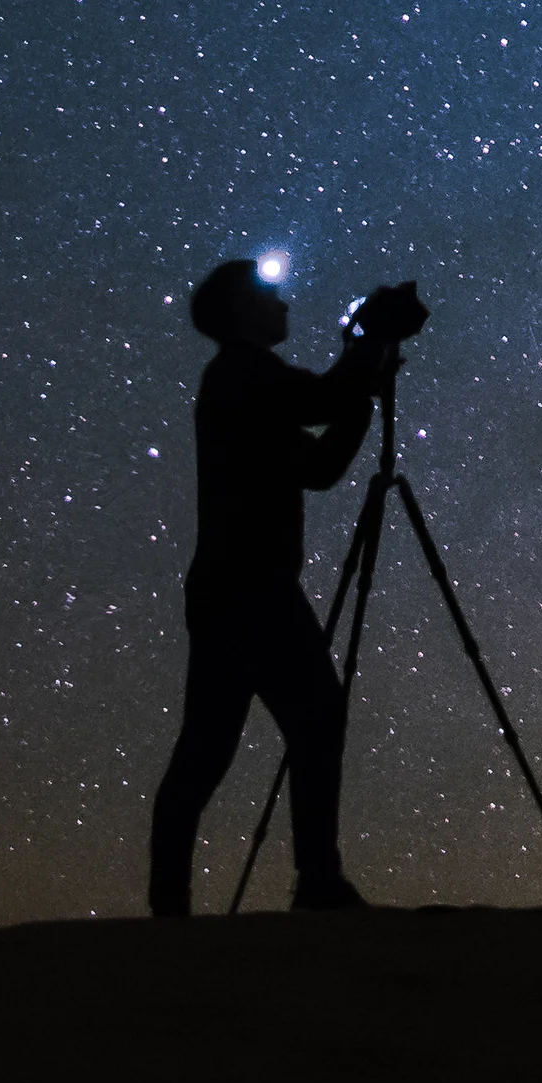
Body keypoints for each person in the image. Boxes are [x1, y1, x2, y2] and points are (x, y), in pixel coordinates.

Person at [146, 258, 407, 916]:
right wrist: (366, 350)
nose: (285, 304)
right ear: (241, 312)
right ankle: (317, 880)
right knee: (313, 716)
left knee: (206, 751)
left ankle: (170, 907)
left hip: (229, 590)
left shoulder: (241, 386)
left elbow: (318, 466)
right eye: (270, 296)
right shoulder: (242, 373)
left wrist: (364, 382)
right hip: (251, 588)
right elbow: (320, 401)